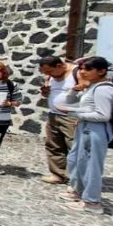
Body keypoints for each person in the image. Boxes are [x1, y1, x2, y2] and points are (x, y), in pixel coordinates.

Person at [58, 57, 113, 214]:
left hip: (95, 130)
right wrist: (75, 90)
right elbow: (72, 101)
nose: (82, 72)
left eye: (87, 69)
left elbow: (103, 115)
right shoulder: (92, 86)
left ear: (101, 71)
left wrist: (73, 113)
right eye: (82, 69)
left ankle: (92, 202)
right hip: (85, 127)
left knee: (91, 166)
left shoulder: (104, 89)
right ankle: (78, 191)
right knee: (76, 160)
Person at [38, 56, 78, 184]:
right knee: (54, 145)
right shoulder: (51, 77)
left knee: (75, 147)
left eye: (49, 71)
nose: (48, 75)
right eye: (45, 72)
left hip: (72, 117)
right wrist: (45, 92)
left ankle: (76, 178)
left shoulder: (76, 73)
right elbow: (48, 93)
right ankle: (58, 174)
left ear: (59, 66)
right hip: (54, 115)